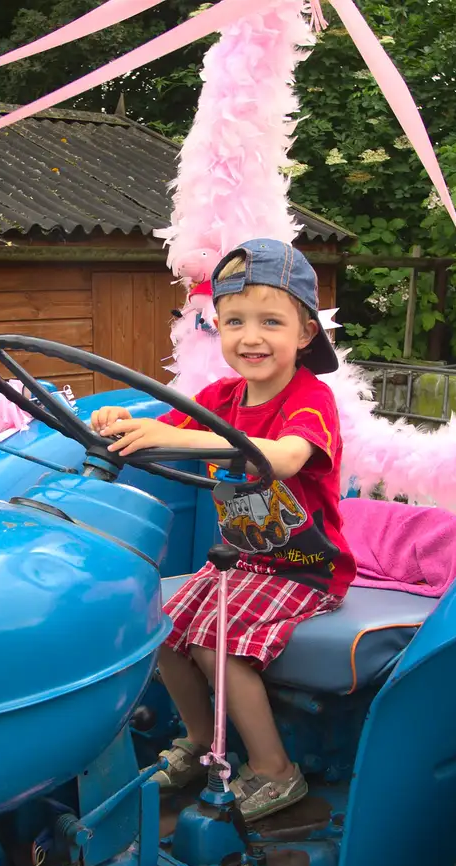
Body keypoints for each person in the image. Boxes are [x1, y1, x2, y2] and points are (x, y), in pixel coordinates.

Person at [89, 238, 356, 821]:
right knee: (159, 624)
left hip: (303, 564)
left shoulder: (310, 400)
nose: (250, 337)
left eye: (270, 321)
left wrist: (181, 438)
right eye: (234, 321)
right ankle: (195, 739)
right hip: (243, 557)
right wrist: (121, 421)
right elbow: (162, 428)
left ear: (306, 333)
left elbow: (283, 459)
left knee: (216, 638)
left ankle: (274, 769)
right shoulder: (220, 397)